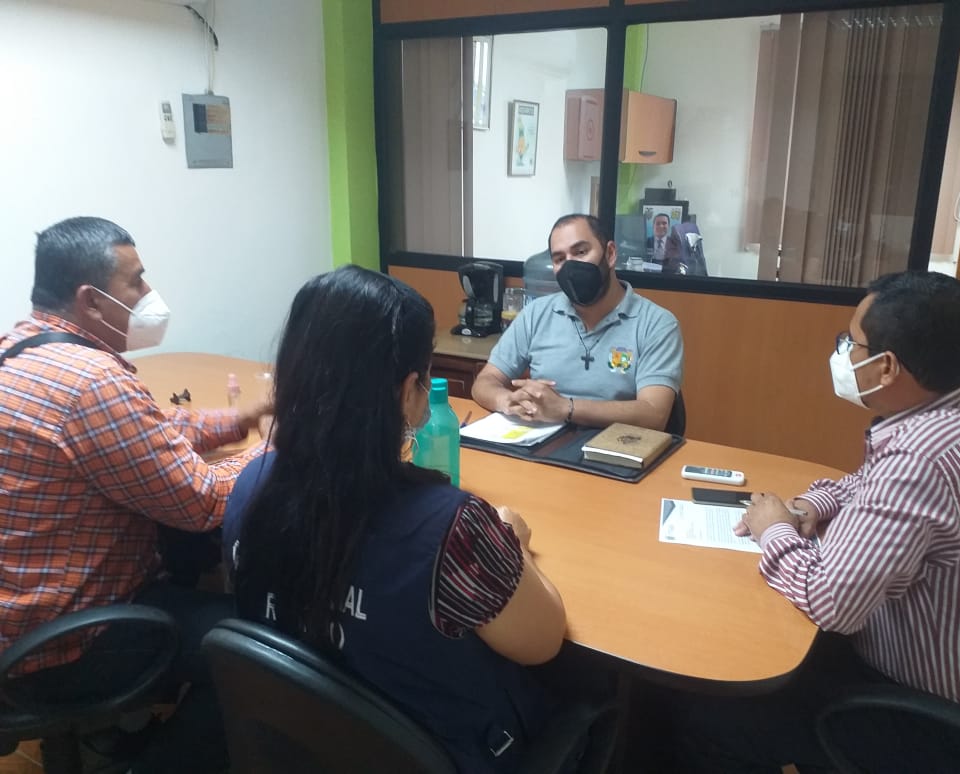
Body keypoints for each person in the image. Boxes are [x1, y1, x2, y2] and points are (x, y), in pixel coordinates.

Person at [677, 271, 960, 771]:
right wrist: (810, 507)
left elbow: (831, 603)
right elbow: (868, 483)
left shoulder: (918, 460)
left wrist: (773, 528)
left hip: (937, 727)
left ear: (887, 367)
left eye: (851, 343)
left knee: (705, 712)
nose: (843, 354)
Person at [223, 266, 568, 774]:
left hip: (303, 746)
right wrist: (510, 544)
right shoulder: (455, 529)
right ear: (409, 389)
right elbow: (543, 641)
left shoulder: (251, 483)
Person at [0, 216, 269, 773]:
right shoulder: (91, 381)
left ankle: (118, 731)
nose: (149, 293)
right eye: (136, 280)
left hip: (19, 623)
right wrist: (271, 451)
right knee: (257, 650)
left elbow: (145, 430)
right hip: (66, 645)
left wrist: (237, 418)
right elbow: (201, 502)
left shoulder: (18, 351)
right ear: (90, 301)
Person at [471, 214, 684, 431]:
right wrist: (507, 400)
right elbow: (485, 381)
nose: (570, 266)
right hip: (543, 443)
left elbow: (654, 414)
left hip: (617, 445)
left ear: (610, 254)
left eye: (580, 252)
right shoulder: (536, 314)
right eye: (559, 259)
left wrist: (566, 408)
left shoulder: (657, 323)